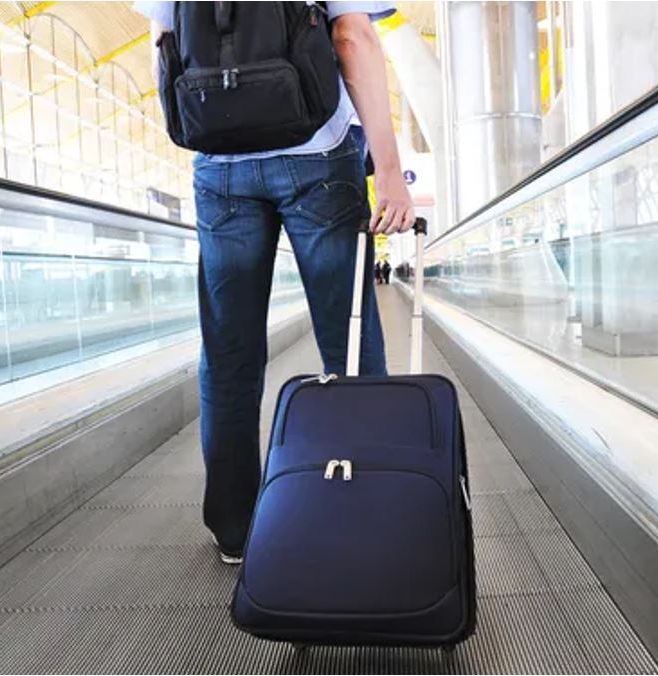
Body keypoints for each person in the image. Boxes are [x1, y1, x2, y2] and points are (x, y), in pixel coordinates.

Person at [135, 0, 416, 565]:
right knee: (349, 342)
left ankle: (235, 528)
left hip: (219, 165)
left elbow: (164, 45)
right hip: (317, 158)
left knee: (228, 354)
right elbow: (352, 37)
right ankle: (367, 510)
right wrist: (388, 169)